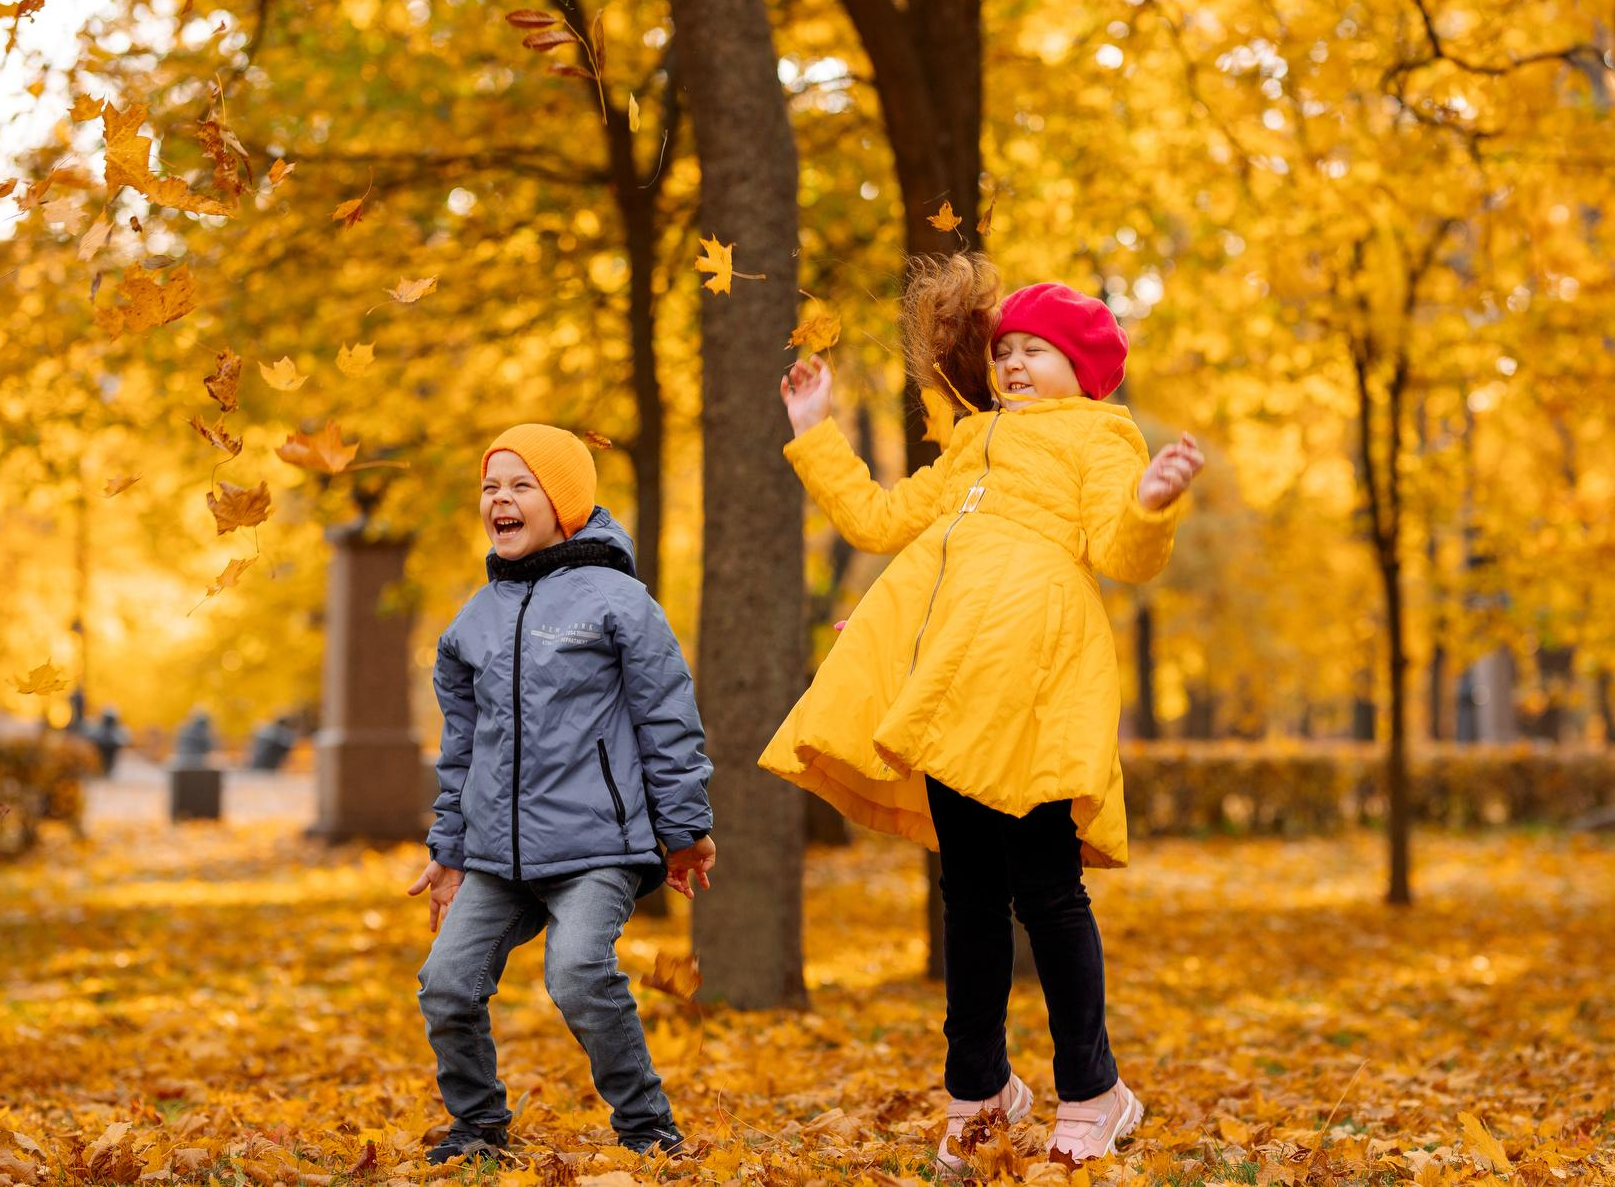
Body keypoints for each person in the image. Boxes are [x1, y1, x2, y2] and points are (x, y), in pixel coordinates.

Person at [759, 254, 1205, 1173]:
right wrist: (814, 432)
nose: (1011, 364)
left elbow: (1120, 548)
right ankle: (980, 1088)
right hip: (953, 693)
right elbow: (882, 522)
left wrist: (1152, 502)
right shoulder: (968, 446)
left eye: (1035, 351)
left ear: (1081, 369)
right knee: (968, 896)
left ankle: (1094, 1090)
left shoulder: (1098, 438)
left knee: (1047, 891)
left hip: (1034, 693)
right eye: (1005, 351)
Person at [407, 424, 718, 1164]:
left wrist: (685, 829)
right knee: (445, 983)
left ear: (566, 502)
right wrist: (448, 850)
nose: (501, 499)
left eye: (521, 485)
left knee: (578, 970)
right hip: (495, 857)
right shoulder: (472, 622)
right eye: (491, 487)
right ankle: (478, 1126)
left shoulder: (618, 600)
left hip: (597, 848)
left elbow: (667, 718)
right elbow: (461, 753)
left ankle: (648, 1126)